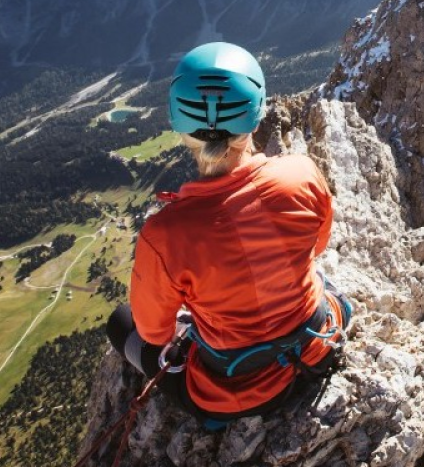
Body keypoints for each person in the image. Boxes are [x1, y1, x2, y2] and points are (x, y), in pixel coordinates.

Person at [106, 42, 350, 427]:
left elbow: (154, 331)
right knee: (322, 282)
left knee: (121, 323)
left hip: (237, 392)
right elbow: (317, 246)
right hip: (318, 345)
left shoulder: (165, 234)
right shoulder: (302, 173)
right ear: (256, 114)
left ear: (180, 125)